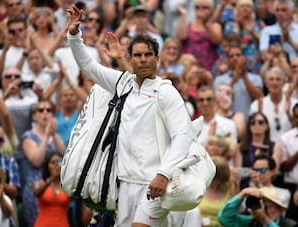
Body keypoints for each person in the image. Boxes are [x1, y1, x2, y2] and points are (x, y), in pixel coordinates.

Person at [67, 5, 194, 226]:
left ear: (157, 59)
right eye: (138, 55)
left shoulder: (166, 91)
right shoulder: (122, 83)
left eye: (148, 55)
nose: (143, 59)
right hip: (124, 184)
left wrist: (163, 174)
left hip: (154, 183)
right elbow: (88, 66)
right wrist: (74, 35)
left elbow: (183, 136)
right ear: (130, 58)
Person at [20, 100, 65, 227]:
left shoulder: (57, 136)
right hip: (37, 186)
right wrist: (46, 137)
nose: (45, 113)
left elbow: (65, 157)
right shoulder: (28, 136)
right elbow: (36, 160)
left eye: (49, 110)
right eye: (41, 110)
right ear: (34, 116)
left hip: (56, 188)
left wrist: (53, 134)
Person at [218, 186, 296, 226]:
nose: (267, 210)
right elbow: (224, 218)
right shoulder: (252, 222)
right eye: (264, 206)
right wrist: (242, 194)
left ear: (280, 209)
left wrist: (266, 220)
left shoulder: (289, 224)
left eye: (271, 206)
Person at [33, 152, 70, 227]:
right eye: (53, 162)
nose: (56, 165)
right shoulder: (39, 183)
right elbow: (36, 193)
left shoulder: (67, 185)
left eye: (59, 162)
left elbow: (76, 196)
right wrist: (51, 179)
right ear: (47, 166)